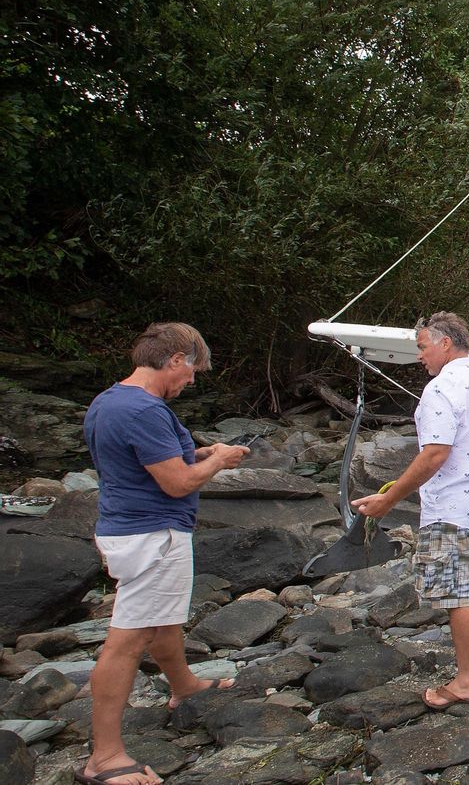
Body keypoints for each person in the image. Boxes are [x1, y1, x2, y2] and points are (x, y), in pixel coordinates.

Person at [79, 323, 251, 785]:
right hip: (151, 535)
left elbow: (154, 461)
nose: (191, 381)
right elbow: (176, 483)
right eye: (192, 371)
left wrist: (203, 451)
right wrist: (218, 462)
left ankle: (184, 685)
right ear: (176, 359)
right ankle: (105, 758)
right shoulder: (144, 411)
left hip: (129, 527)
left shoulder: (111, 400)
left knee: (163, 618)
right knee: (128, 641)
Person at [352, 311, 469, 708]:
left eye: (422, 347)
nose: (420, 356)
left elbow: (434, 455)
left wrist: (387, 500)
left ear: (445, 343)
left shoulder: (442, 388)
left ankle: (468, 681)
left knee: (463, 593)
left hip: (456, 508)